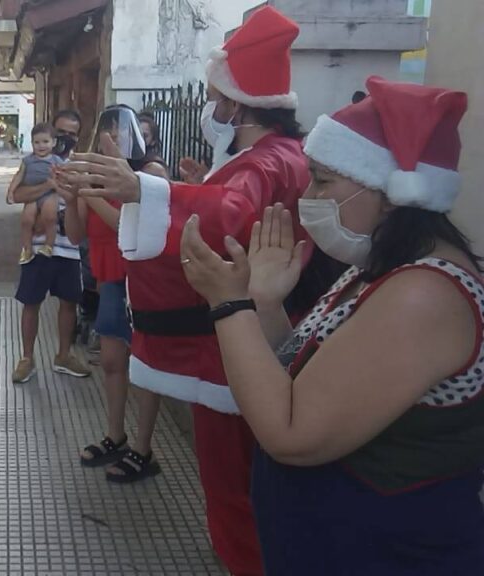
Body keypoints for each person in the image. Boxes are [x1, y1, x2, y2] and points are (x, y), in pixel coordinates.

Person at [179, 77, 484, 575]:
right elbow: (304, 384)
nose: (308, 194)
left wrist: (227, 303)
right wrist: (266, 304)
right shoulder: (380, 270)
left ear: (389, 194)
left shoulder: (423, 295)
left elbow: (292, 432)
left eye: (323, 180)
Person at [62, 8, 308, 574]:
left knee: (233, 487)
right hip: (257, 336)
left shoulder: (266, 160)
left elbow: (231, 213)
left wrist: (145, 189)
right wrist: (181, 190)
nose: (212, 109)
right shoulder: (275, 158)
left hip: (236, 344)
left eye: (218, 98)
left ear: (237, 105)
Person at [77, 106, 169, 484]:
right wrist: (75, 195)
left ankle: (143, 449)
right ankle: (116, 434)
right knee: (113, 359)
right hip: (113, 279)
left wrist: (86, 191)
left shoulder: (151, 173)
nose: (113, 139)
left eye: (120, 132)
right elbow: (80, 231)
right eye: (107, 132)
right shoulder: (98, 177)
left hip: (145, 280)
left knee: (145, 365)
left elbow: (132, 225)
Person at [10, 109, 90, 384]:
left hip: (68, 247)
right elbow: (17, 194)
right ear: (51, 135)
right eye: (62, 132)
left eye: (72, 133)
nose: (66, 138)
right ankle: (27, 358)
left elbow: (82, 208)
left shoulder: (81, 167)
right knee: (30, 302)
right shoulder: (35, 163)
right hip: (36, 246)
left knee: (69, 302)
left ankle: (64, 355)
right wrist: (47, 186)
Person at [7, 124, 62, 265]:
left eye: (45, 142)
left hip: (50, 194)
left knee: (50, 217)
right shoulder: (28, 160)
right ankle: (27, 249)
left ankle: (49, 246)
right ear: (31, 143)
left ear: (53, 142)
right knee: (26, 221)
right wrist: (11, 191)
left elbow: (62, 177)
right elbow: (19, 176)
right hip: (31, 195)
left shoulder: (56, 161)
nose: (41, 146)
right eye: (36, 142)